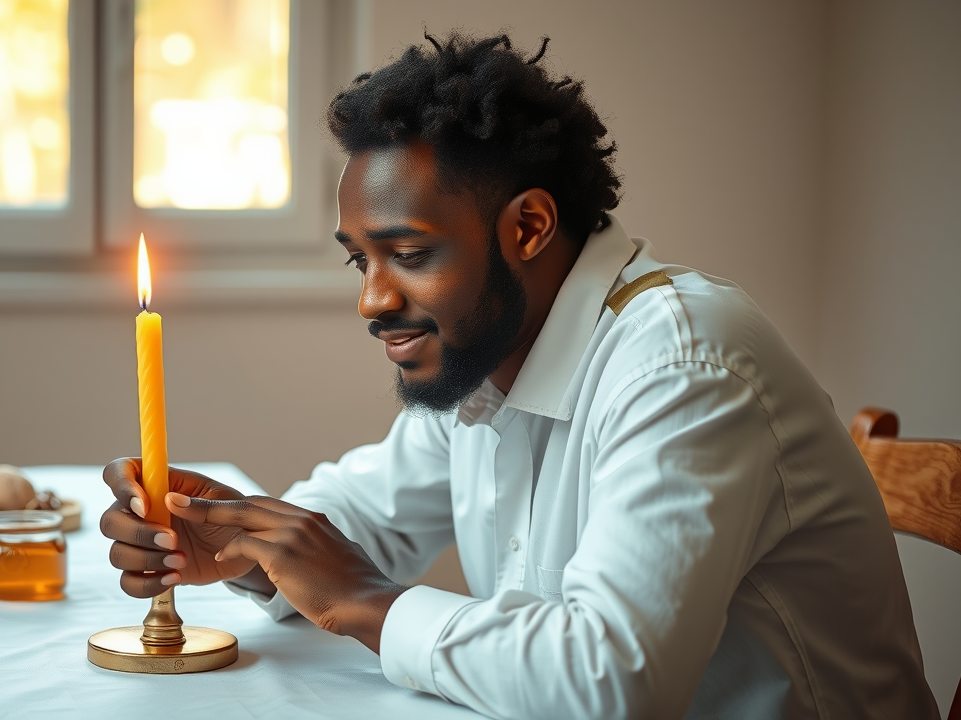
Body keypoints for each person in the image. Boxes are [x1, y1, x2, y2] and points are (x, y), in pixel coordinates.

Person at [100, 32, 937, 719]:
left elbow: (614, 681)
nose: (372, 300)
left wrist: (363, 599)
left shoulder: (685, 366)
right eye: (361, 261)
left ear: (529, 226)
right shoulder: (483, 352)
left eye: (411, 255)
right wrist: (241, 541)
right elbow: (368, 519)